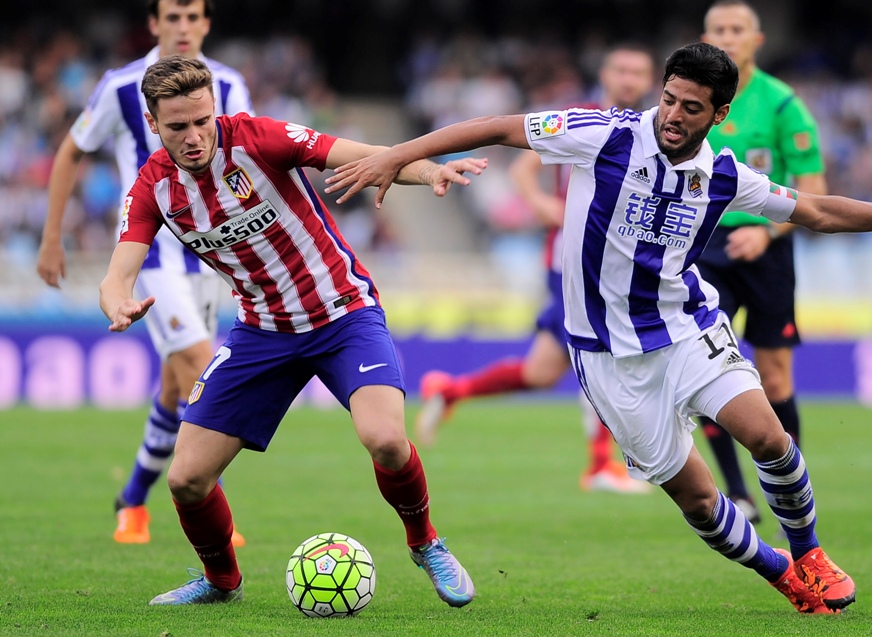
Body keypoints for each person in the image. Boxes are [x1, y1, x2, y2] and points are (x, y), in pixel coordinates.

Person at [326, 42, 872, 614]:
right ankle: (780, 571)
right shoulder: (607, 134)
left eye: (691, 107)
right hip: (610, 359)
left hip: (686, 328)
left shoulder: (724, 174)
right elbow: (499, 127)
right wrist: (395, 157)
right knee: (700, 503)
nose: (674, 115)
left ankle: (812, 553)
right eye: (669, 99)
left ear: (718, 115)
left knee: (770, 436)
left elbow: (816, 209)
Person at [101, 55, 485, 607]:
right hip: (262, 333)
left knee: (387, 441)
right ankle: (220, 582)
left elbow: (366, 158)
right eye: (178, 126)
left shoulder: (261, 139)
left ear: (215, 110)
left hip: (343, 314)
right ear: (153, 124)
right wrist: (118, 303)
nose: (193, 136)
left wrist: (429, 171)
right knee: (186, 479)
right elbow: (118, 275)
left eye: (202, 120)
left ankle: (426, 543)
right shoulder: (153, 187)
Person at [36, 0, 252, 546]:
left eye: (192, 16)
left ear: (206, 23)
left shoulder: (228, 84)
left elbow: (244, 159)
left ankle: (132, 498)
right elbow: (71, 151)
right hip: (151, 251)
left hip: (208, 252)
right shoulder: (121, 85)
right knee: (204, 369)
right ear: (154, 24)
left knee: (177, 387)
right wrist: (51, 236)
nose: (182, 27)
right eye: (171, 17)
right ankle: (216, 521)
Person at [416, 44, 655, 494]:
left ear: (649, 81)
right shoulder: (580, 118)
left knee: (542, 372)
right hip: (572, 258)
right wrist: (541, 202)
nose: (628, 78)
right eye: (620, 69)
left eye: (637, 71)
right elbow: (525, 167)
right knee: (606, 351)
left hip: (613, 260)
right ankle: (601, 465)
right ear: (604, 74)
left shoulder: (653, 128)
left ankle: (449, 390)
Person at [694, 0, 829, 524]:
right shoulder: (692, 100)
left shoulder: (781, 105)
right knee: (707, 370)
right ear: (705, 37)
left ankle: (790, 486)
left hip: (768, 253)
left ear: (757, 40)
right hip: (702, 250)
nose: (728, 37)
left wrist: (768, 231)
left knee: (773, 380)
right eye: (718, 29)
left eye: (737, 30)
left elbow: (814, 190)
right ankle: (737, 492)